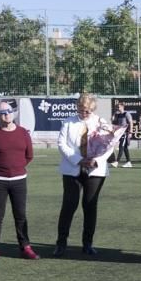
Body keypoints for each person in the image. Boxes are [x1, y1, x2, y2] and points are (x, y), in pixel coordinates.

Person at [54, 93, 121, 258]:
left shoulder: (101, 123)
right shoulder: (68, 122)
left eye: (87, 111)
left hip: (95, 171)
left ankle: (88, 243)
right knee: (69, 205)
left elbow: (109, 146)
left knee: (90, 206)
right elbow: (62, 144)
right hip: (72, 169)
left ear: (93, 109)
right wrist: (78, 160)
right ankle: (61, 243)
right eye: (81, 109)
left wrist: (96, 161)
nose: (83, 113)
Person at [0, 101, 38, 263]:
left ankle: (25, 246)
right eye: (2, 112)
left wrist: (16, 168)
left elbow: (29, 155)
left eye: (9, 111)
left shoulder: (23, 133)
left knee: (20, 215)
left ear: (13, 113)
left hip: (19, 180)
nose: (6, 114)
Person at [112, 102, 134, 168]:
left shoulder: (126, 114)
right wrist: (114, 115)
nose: (117, 108)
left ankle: (116, 162)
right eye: (117, 107)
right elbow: (114, 122)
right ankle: (128, 162)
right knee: (125, 148)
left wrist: (130, 132)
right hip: (120, 133)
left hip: (125, 133)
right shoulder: (118, 115)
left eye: (118, 107)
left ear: (122, 107)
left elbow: (131, 122)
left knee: (121, 146)